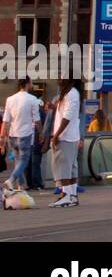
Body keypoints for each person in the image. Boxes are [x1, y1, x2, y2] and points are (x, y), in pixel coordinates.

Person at [1, 78, 41, 193]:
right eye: (31, 82)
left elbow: (6, 120)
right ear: (27, 84)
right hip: (25, 135)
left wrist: (2, 138)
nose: (32, 84)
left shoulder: (10, 99)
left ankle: (20, 187)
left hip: (12, 135)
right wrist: (41, 133)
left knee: (18, 161)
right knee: (24, 160)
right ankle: (11, 180)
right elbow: (37, 119)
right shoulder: (33, 99)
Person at [48, 79, 82, 208]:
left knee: (62, 167)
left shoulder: (71, 94)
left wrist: (56, 135)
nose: (59, 80)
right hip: (71, 136)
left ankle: (66, 195)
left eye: (62, 78)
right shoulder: (72, 93)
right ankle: (72, 195)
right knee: (71, 167)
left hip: (65, 137)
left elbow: (67, 117)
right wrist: (53, 107)